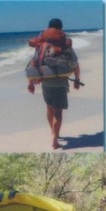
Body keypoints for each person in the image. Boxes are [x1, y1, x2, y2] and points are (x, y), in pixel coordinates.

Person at [26, 17, 83, 151]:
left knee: (49, 107)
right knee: (58, 111)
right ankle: (54, 138)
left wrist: (31, 83)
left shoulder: (42, 45)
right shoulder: (64, 44)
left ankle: (53, 132)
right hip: (61, 82)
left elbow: (35, 62)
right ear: (61, 29)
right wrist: (77, 80)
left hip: (46, 82)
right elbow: (75, 64)